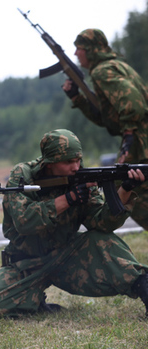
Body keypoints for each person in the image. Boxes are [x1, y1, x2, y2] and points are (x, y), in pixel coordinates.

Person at [0, 129, 148, 319]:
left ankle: (143, 285)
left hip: (66, 255)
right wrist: (69, 199)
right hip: (26, 261)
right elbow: (24, 222)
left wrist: (125, 190)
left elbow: (101, 223)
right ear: (50, 162)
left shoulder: (82, 178)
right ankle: (34, 300)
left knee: (102, 240)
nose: (76, 167)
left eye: (78, 160)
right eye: (68, 162)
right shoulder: (23, 175)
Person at [62, 28, 148, 230]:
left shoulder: (102, 71)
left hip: (139, 139)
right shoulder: (117, 66)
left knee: (124, 186)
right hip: (140, 136)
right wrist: (78, 98)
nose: (76, 54)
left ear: (91, 50)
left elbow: (133, 104)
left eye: (79, 48)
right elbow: (108, 119)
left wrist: (128, 136)